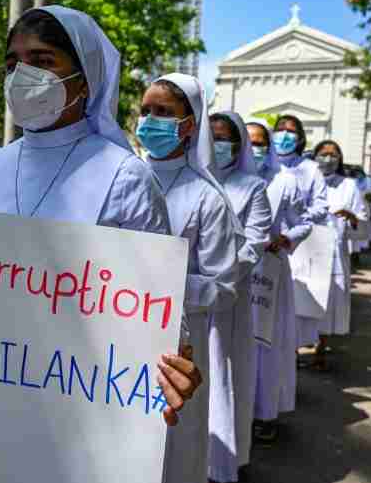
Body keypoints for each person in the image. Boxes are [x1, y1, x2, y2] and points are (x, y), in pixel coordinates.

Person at [0, 5, 204, 482]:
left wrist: (175, 358)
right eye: (12, 63)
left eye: (42, 60)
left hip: (76, 400)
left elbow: (153, 297)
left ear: (84, 76)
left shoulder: (123, 175)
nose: (22, 74)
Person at [137, 74, 241, 483]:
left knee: (170, 450)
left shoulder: (207, 198)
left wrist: (162, 282)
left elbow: (224, 287)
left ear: (189, 124)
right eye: (145, 111)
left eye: (163, 112)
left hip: (178, 348)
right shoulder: (121, 179)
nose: (150, 120)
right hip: (115, 331)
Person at [209, 111, 272, 478]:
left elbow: (255, 243)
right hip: (182, 298)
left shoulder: (251, 187)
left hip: (227, 297)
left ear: (238, 145)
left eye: (224, 137)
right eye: (211, 136)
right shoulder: (193, 179)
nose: (217, 144)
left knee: (222, 376)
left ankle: (221, 464)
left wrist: (217, 277)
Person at [246, 118, 312, 445]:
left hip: (268, 274)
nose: (253, 148)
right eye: (248, 141)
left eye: (260, 142)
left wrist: (285, 239)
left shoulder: (285, 181)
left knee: (264, 345)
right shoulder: (223, 177)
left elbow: (304, 223)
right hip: (232, 274)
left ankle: (264, 412)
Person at [271, 115, 329, 350]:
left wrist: (299, 223)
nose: (285, 134)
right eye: (280, 129)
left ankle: (290, 351)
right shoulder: (265, 163)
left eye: (291, 130)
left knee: (294, 304)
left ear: (300, 138)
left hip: (298, 243)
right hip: (266, 243)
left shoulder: (310, 169)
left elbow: (322, 205)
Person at [312, 140, 367, 367]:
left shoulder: (349, 186)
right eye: (323, 153)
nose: (328, 158)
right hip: (307, 250)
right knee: (303, 299)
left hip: (335, 252)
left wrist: (351, 217)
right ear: (314, 156)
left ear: (340, 159)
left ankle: (320, 349)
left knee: (329, 302)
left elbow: (362, 222)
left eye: (333, 154)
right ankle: (293, 350)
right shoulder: (305, 180)